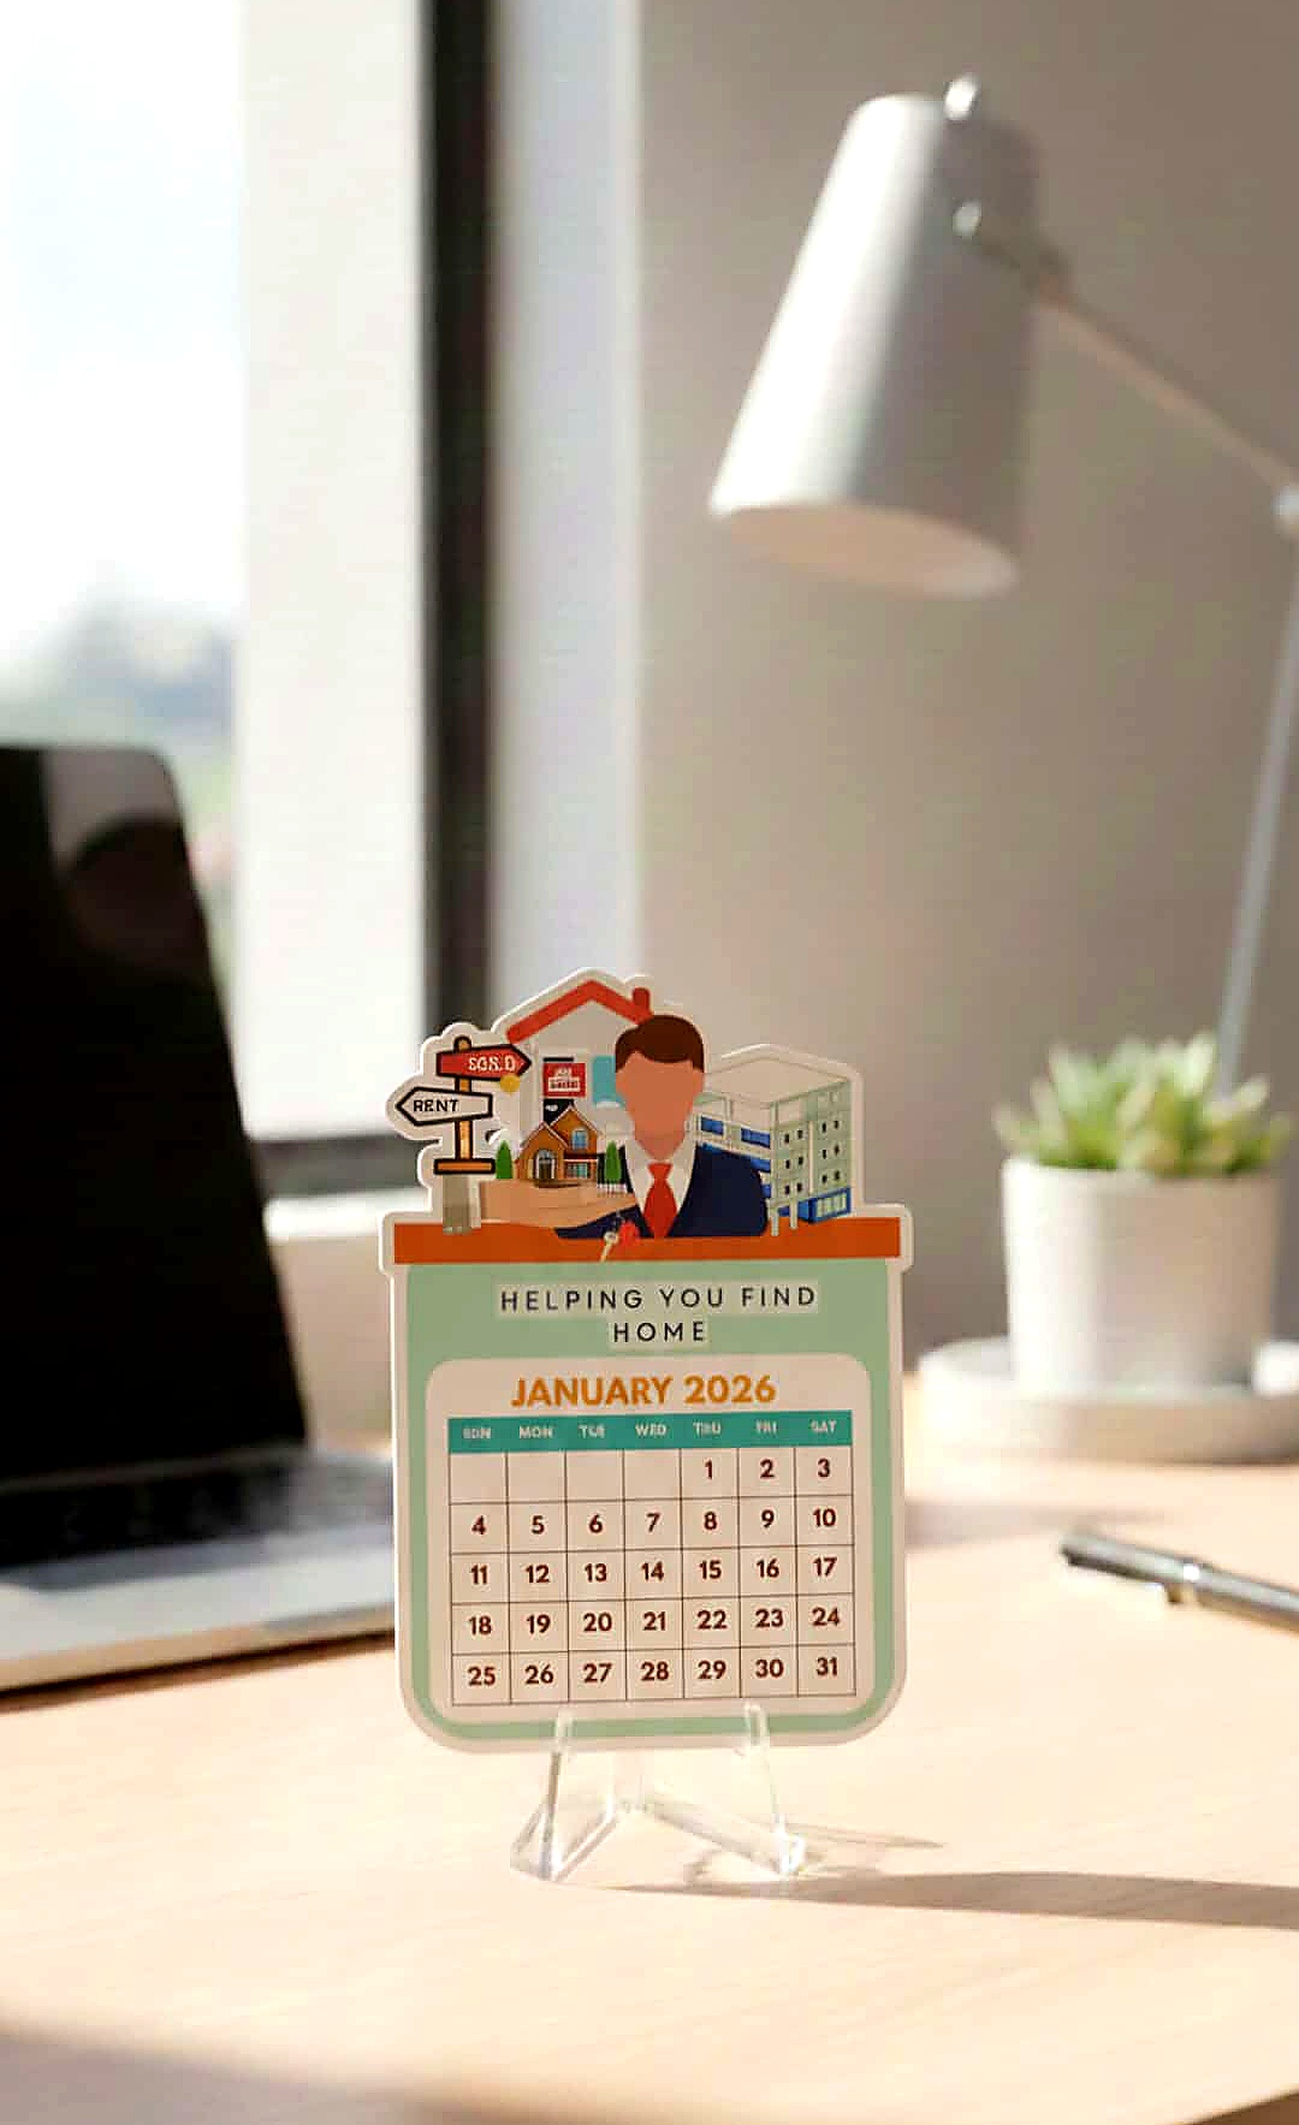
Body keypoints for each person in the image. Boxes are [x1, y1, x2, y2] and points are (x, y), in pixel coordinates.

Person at [481, 1013, 767, 1240]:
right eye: (644, 1083)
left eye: (673, 1083)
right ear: (620, 1084)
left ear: (698, 1083)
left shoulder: (736, 1182)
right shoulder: (583, 1187)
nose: (658, 1098)